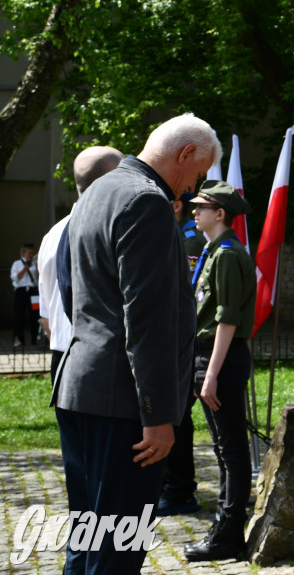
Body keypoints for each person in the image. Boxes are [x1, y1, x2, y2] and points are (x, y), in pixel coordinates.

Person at [51, 113, 221, 574]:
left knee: (87, 540)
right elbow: (148, 321)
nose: (191, 187)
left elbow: (71, 291)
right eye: (198, 173)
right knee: (118, 550)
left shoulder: (96, 192)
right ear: (185, 154)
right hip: (124, 404)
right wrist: (158, 415)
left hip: (80, 386)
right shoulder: (147, 201)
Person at [184, 180, 257, 561]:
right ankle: (225, 526)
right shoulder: (215, 251)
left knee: (230, 448)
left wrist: (210, 374)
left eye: (201, 207)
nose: (194, 211)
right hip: (211, 355)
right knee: (222, 445)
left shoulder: (227, 254)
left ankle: (228, 534)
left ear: (221, 214)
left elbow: (227, 319)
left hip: (220, 357)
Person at [37, 147, 124, 382]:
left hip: (61, 355)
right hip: (98, 359)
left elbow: (46, 312)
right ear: (110, 180)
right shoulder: (111, 231)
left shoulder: (51, 235)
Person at [157, 192, 209, 517]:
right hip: (173, 339)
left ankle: (179, 490)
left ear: (176, 205)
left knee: (177, 416)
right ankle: (172, 486)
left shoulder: (189, 239)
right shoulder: (176, 232)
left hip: (183, 340)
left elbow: (185, 292)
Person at [10, 243, 38, 348]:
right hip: (21, 291)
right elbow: (15, 278)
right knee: (19, 315)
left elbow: (38, 277)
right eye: (29, 253)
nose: (31, 255)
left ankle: (35, 339)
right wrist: (25, 268)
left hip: (32, 292)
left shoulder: (35, 263)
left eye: (32, 253)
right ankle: (18, 339)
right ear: (23, 253)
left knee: (35, 315)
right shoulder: (17, 263)